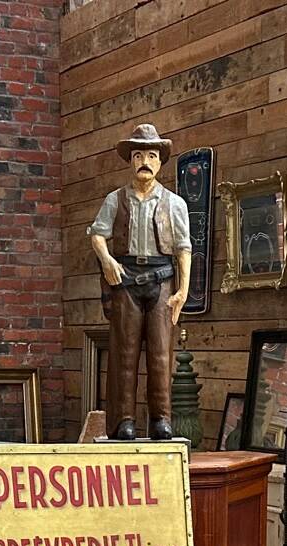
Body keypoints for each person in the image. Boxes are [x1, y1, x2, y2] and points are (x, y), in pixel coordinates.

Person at [87, 123, 191, 441]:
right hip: (126, 281)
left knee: (161, 353)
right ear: (130, 160)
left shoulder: (175, 204)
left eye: (150, 155)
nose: (144, 161)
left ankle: (161, 419)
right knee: (124, 352)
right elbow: (97, 235)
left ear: (159, 161)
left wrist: (183, 291)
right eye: (138, 155)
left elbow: (183, 247)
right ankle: (123, 421)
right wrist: (107, 261)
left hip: (161, 281)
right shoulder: (115, 200)